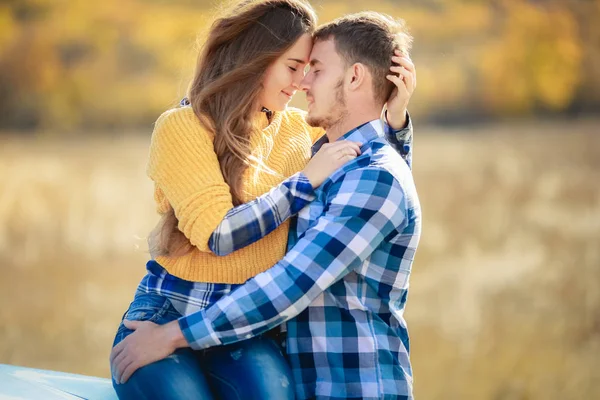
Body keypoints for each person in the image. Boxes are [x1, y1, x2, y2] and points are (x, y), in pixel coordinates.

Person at [109, 1, 415, 399]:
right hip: (172, 309)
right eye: (294, 67)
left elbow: (370, 181)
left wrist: (394, 120)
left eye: (312, 69)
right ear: (257, 59)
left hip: (245, 325)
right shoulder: (184, 127)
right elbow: (219, 233)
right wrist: (302, 182)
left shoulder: (297, 131)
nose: (302, 82)